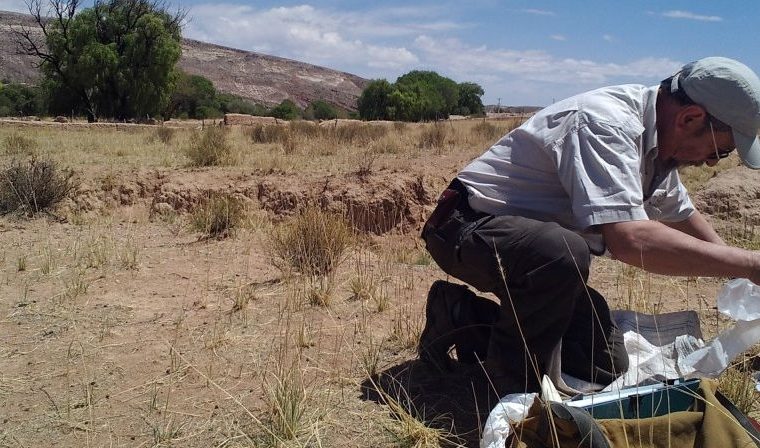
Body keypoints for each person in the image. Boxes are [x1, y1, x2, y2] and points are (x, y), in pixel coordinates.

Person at [418, 57, 760, 396]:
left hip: (534, 255)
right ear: (690, 118)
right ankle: (515, 392)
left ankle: (462, 316)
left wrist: (743, 273)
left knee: (604, 362)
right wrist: (748, 263)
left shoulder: (660, 147)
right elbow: (629, 240)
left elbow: (680, 212)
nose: (711, 161)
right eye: (721, 151)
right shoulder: (605, 124)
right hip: (465, 228)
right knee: (562, 251)